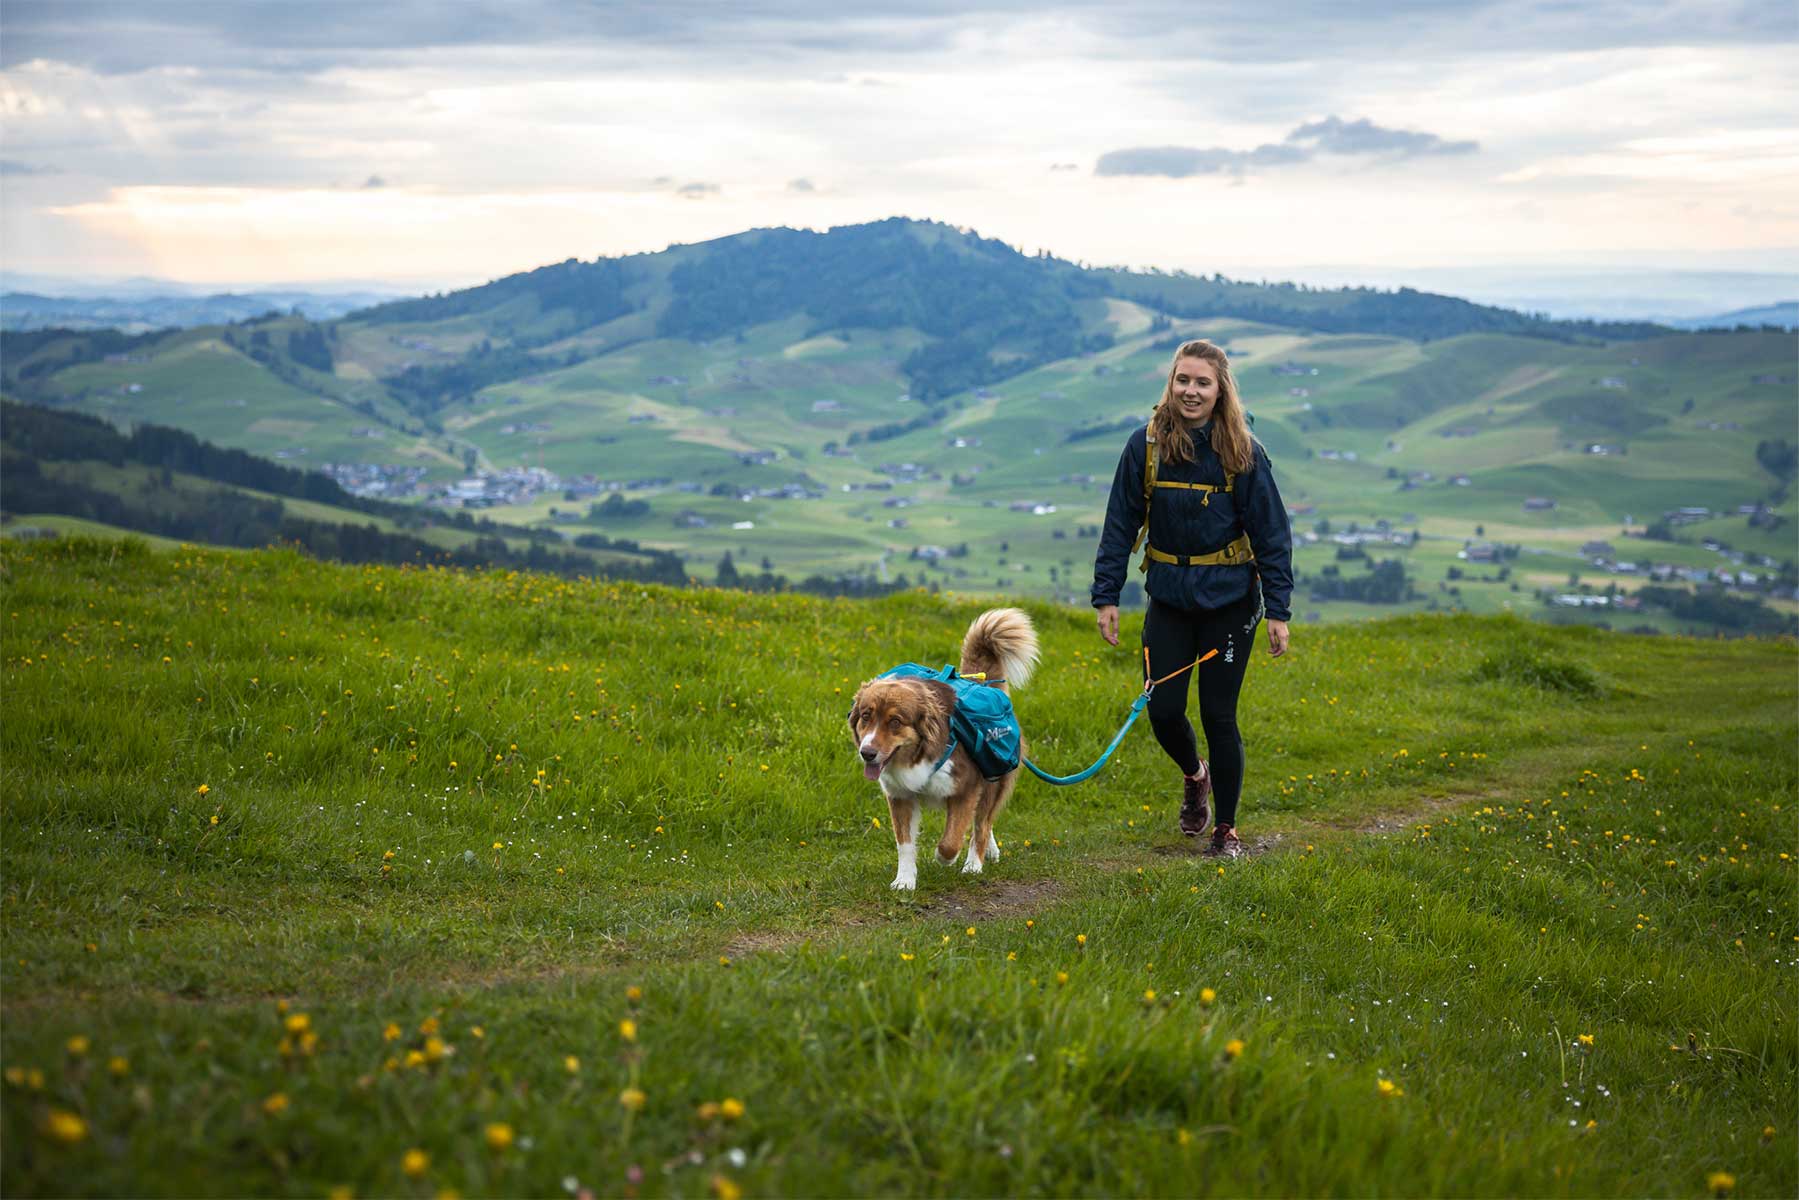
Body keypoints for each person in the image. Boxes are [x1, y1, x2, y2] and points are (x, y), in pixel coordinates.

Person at [1090, 339, 1293, 858]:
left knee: (1219, 717)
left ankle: (1226, 829)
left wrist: (1279, 610)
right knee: (1162, 711)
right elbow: (1120, 524)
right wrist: (1105, 595)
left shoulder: (1242, 452)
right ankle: (1194, 775)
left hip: (1230, 604)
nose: (1191, 391)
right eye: (1183, 380)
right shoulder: (1146, 446)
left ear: (1220, 388)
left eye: (1203, 382)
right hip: (1169, 600)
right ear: (1171, 382)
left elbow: (1272, 533)